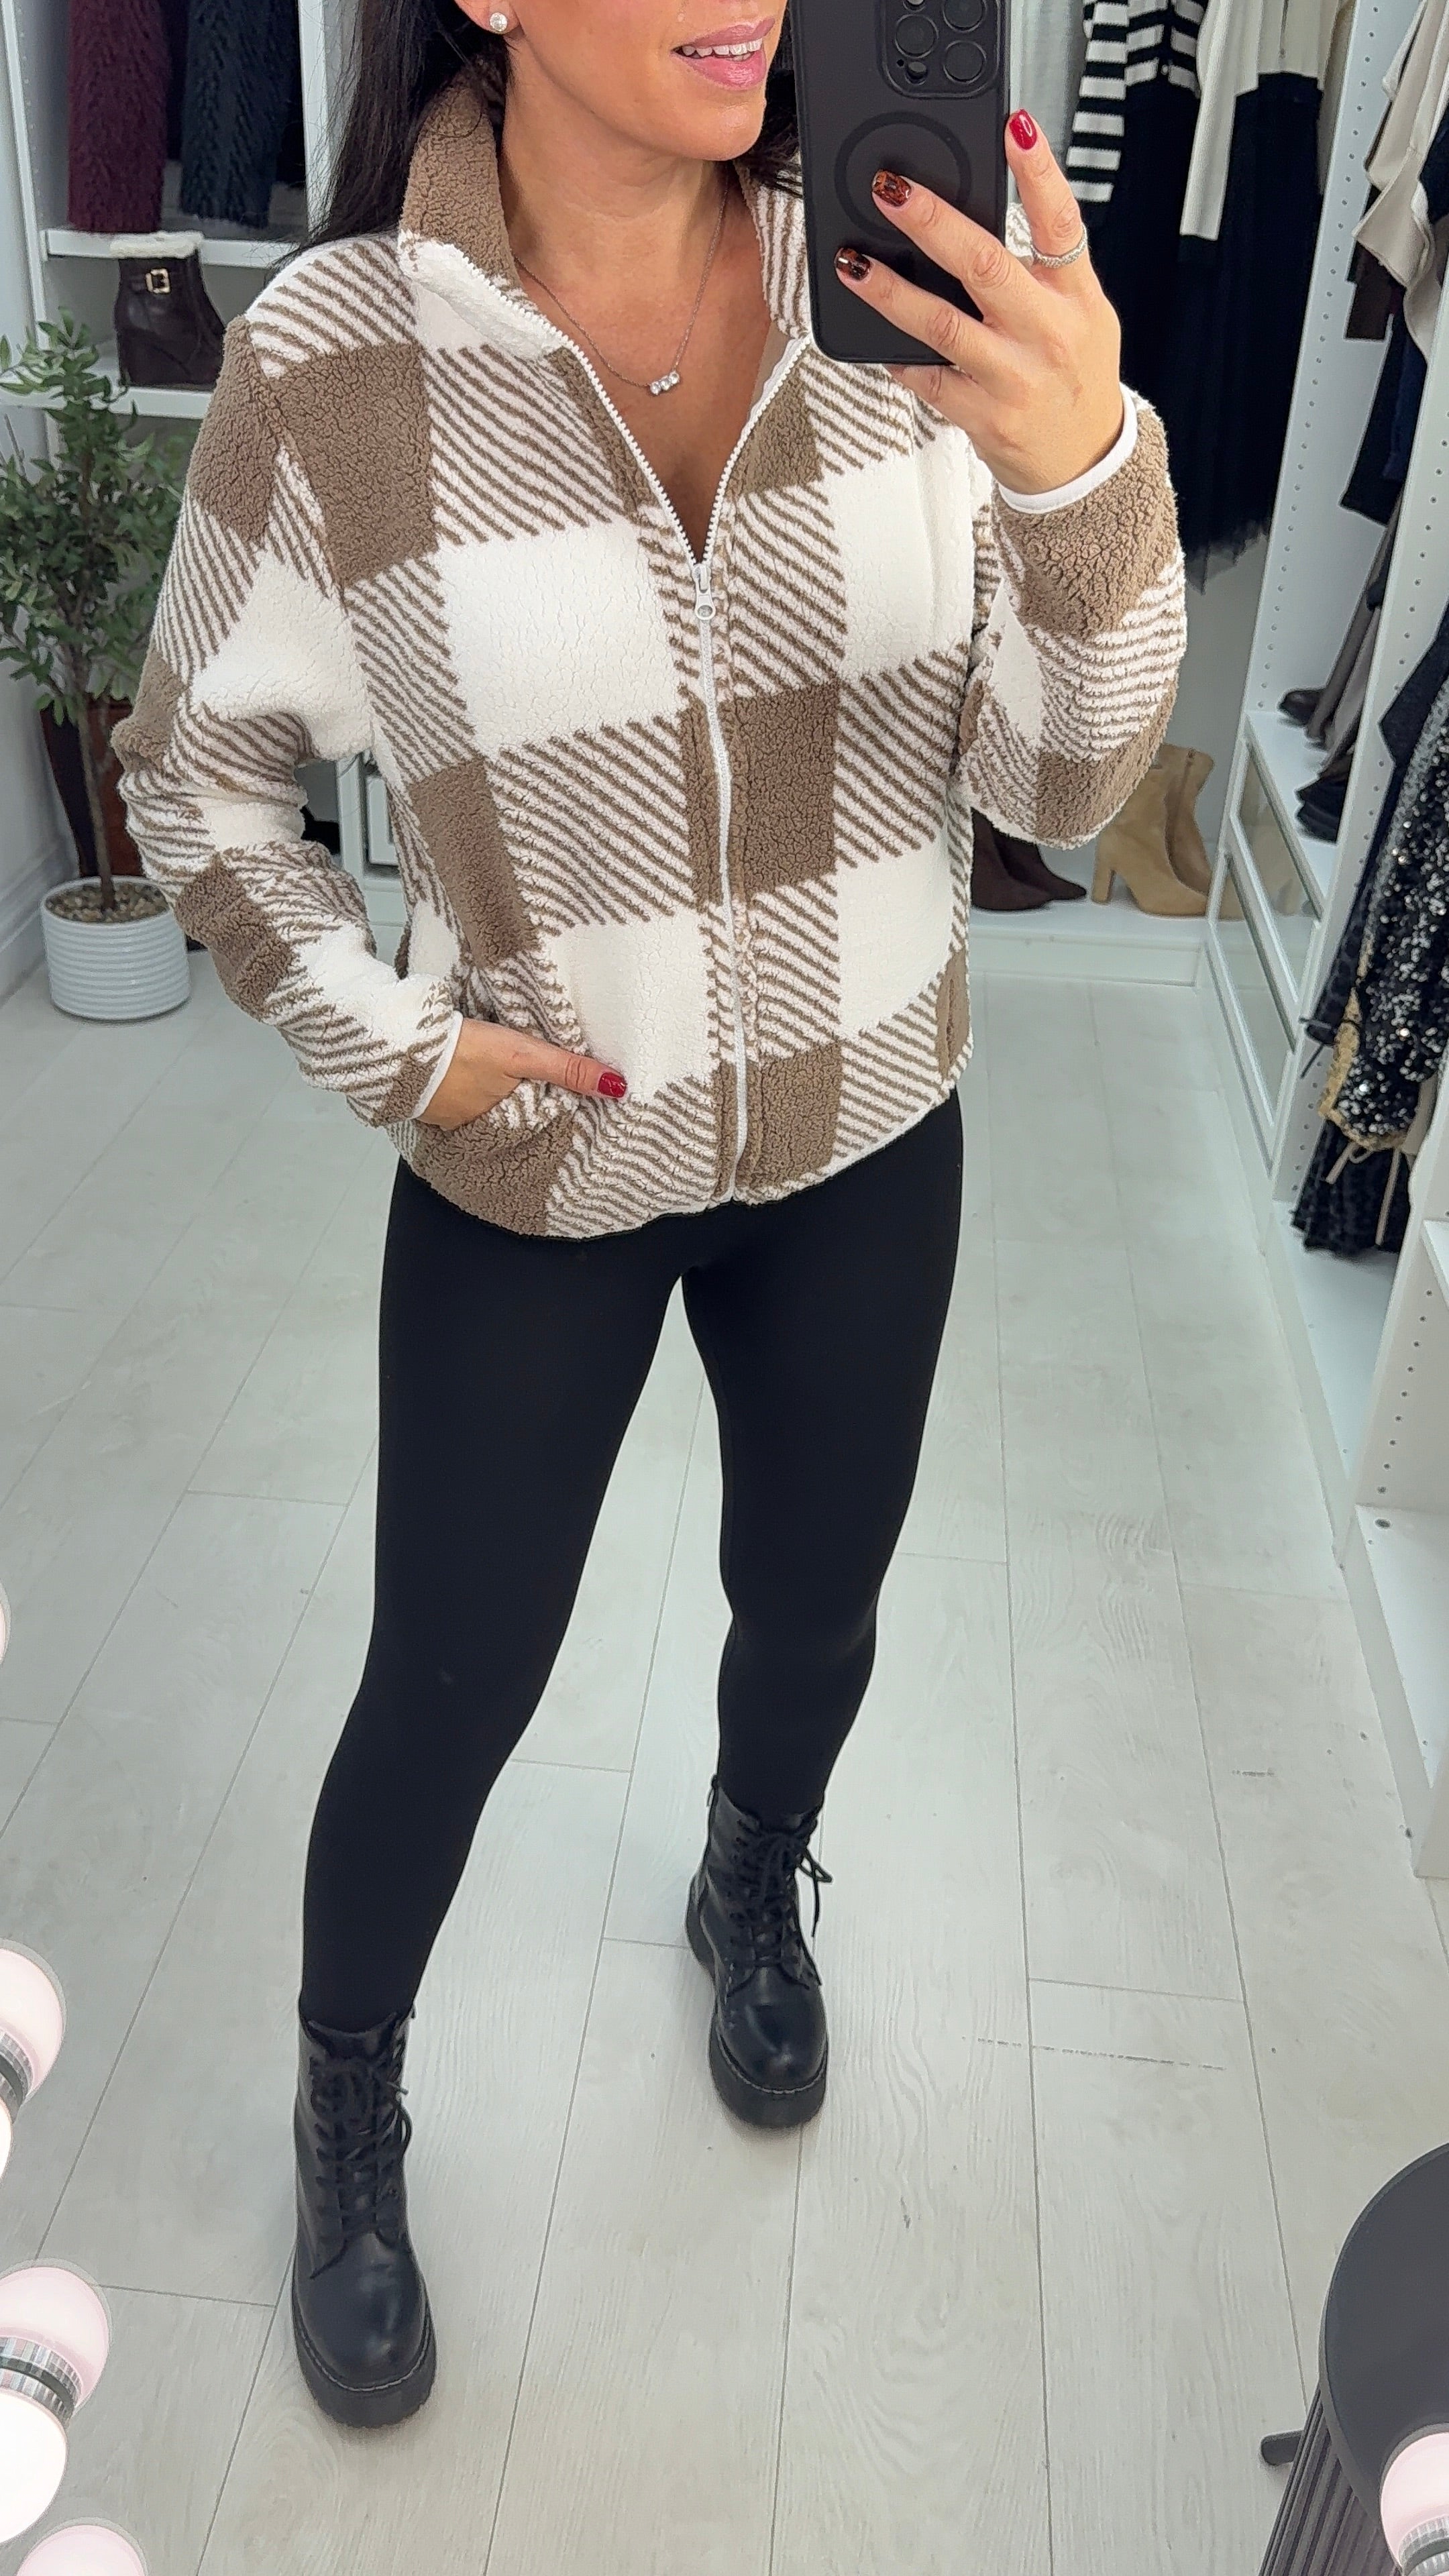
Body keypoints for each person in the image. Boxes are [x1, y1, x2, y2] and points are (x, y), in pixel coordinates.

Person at [114, 0, 1185, 2432]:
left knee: (815, 1607)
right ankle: (350, 2097)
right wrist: (395, 1044)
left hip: (867, 1124)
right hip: (546, 1164)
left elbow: (1057, 785)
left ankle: (748, 1873)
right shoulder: (339, 360)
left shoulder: (900, 272)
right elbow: (197, 778)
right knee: (448, 1686)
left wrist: (1080, 474)